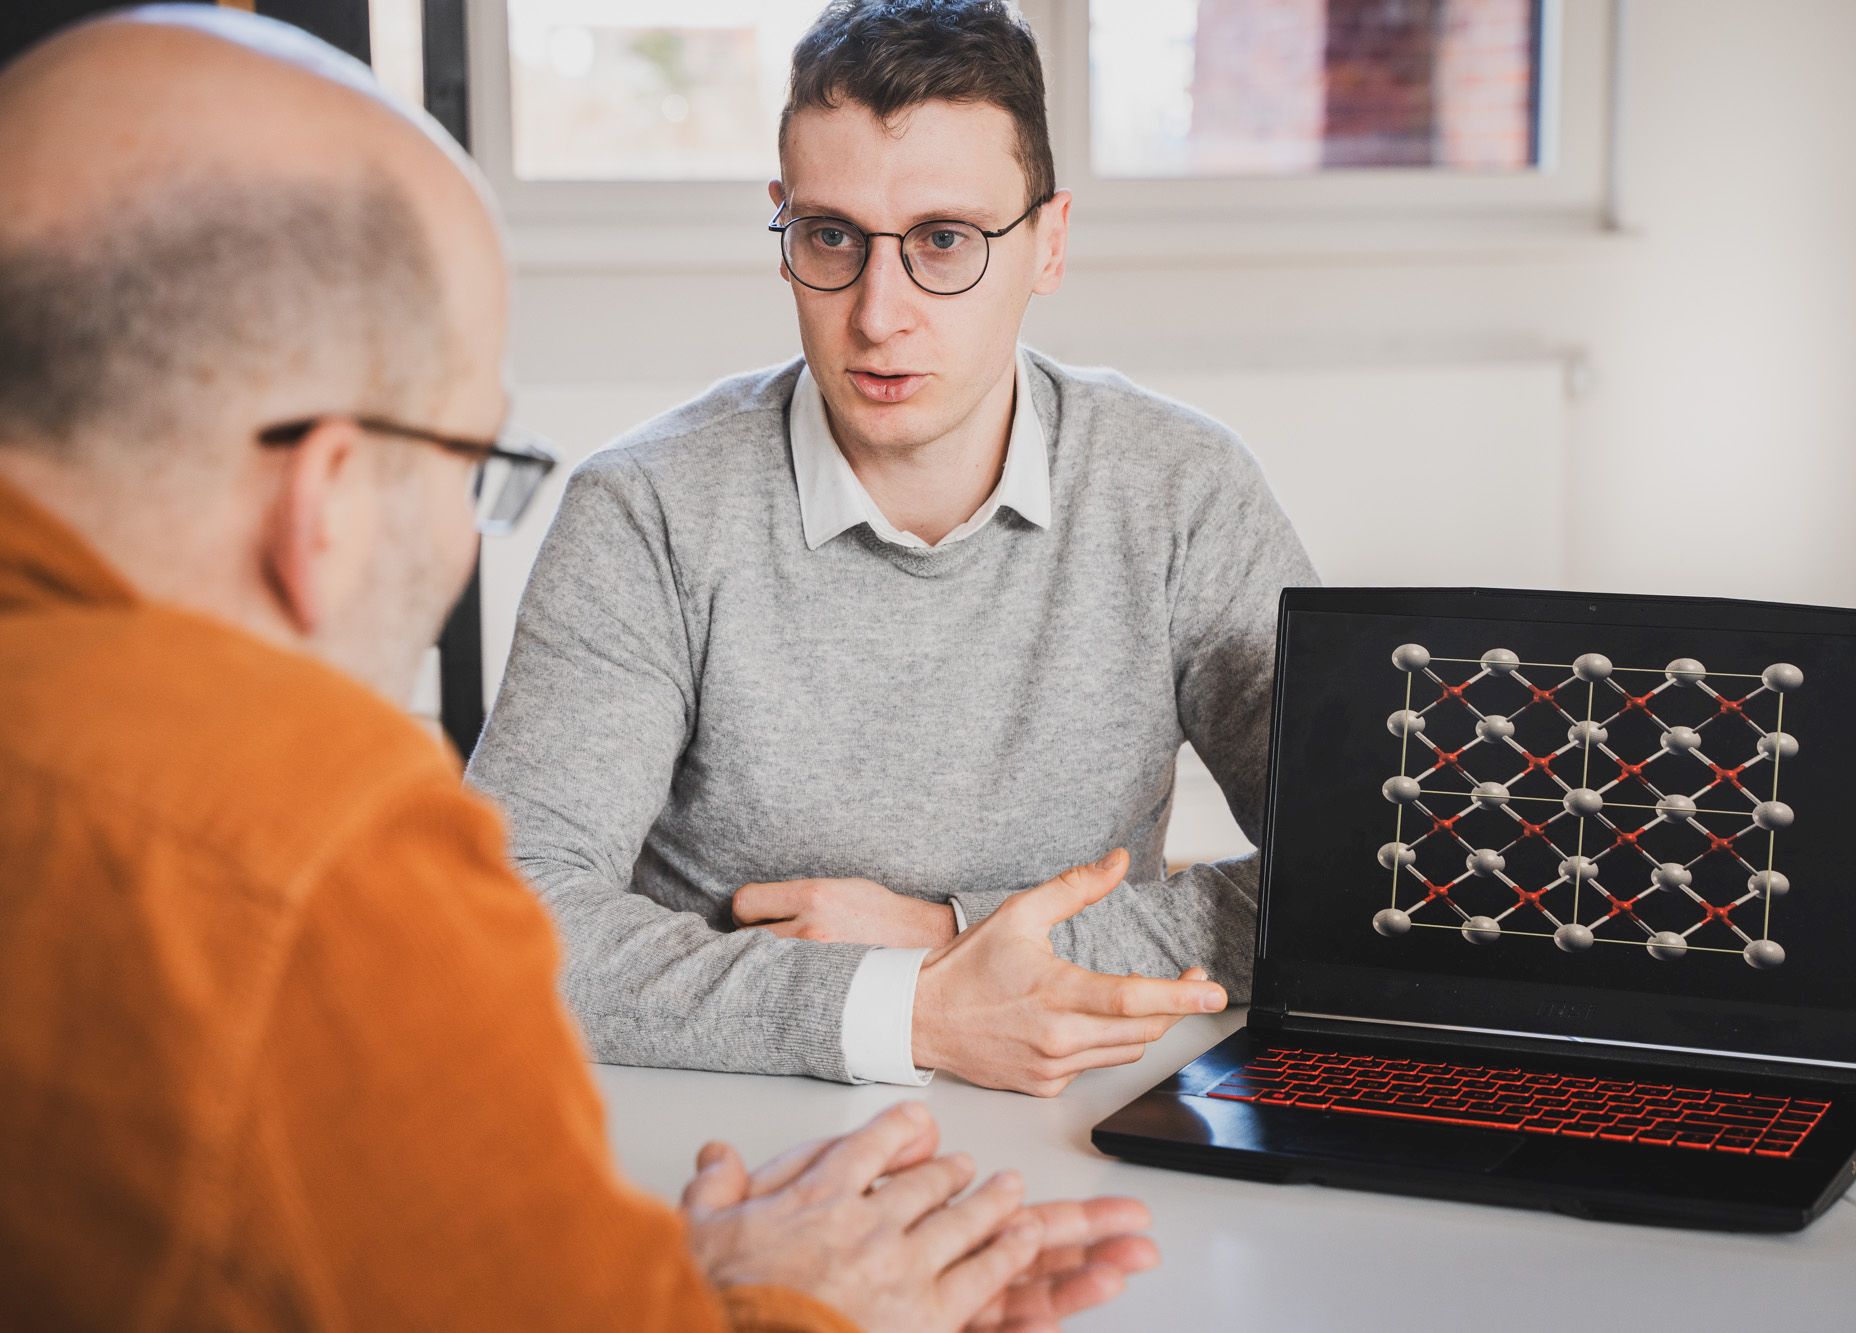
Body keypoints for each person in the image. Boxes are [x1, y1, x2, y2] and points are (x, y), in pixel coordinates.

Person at [0, 8, 1154, 1328]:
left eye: (943, 241)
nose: (880, 313)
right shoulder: (308, 860)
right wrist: (779, 1305)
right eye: (476, 465)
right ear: (326, 499)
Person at [466, 0, 1318, 1095]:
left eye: (943, 241)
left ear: (1049, 243)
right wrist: (906, 1007)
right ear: (783, 230)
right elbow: (503, 911)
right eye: (831, 236)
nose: (878, 314)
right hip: (726, 1114)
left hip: (1078, 1110)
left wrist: (950, 936)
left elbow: (1359, 880)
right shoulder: (644, 510)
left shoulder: (1180, 491)